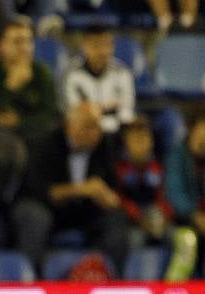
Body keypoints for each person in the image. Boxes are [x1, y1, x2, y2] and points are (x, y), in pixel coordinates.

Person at [12, 101, 128, 273]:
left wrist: (109, 198)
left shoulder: (104, 146)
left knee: (115, 217)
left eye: (98, 127)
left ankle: (112, 278)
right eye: (88, 127)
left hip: (85, 211)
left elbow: (112, 187)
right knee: (34, 216)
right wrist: (81, 189)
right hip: (47, 209)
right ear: (69, 126)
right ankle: (32, 280)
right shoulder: (45, 144)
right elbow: (39, 191)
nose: (95, 133)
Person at [0, 18, 56, 200]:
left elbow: (50, 115)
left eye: (28, 41)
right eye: (17, 42)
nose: (24, 47)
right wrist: (11, 86)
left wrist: (19, 122)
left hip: (32, 134)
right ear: (1, 45)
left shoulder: (42, 73)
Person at [61, 26, 134, 135]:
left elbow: (126, 110)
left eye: (107, 45)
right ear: (84, 46)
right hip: (85, 132)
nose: (103, 51)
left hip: (118, 132)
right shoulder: (72, 73)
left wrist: (95, 109)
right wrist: (109, 108)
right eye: (96, 45)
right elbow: (75, 112)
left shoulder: (122, 71)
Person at [165, 105, 205, 258]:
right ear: (192, 127)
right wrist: (194, 216)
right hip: (184, 222)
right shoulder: (176, 155)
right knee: (186, 242)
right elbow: (174, 192)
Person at [114, 115, 172, 246]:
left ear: (151, 142)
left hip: (157, 218)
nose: (140, 144)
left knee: (173, 236)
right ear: (126, 143)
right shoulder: (119, 169)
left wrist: (163, 215)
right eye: (135, 140)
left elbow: (166, 197)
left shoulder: (159, 167)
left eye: (144, 139)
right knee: (135, 239)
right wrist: (139, 217)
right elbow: (119, 199)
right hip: (131, 221)